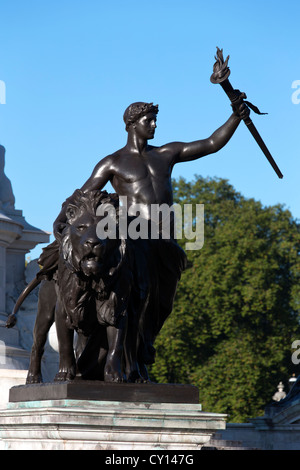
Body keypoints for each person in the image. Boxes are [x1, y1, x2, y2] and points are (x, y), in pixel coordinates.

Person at [52, 98, 250, 380]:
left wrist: (235, 117)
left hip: (165, 242)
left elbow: (210, 143)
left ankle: (140, 353)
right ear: (132, 124)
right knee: (137, 303)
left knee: (161, 305)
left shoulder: (166, 154)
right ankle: (129, 364)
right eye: (149, 120)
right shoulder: (113, 163)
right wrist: (61, 219)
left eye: (155, 120)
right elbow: (81, 196)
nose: (155, 125)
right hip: (135, 240)